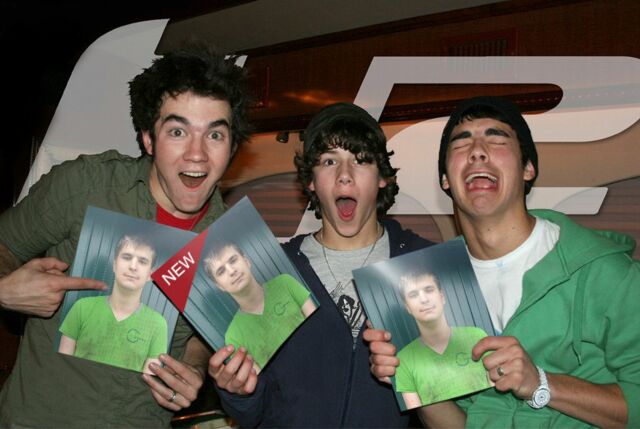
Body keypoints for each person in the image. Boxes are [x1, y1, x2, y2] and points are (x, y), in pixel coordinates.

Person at [0, 44, 251, 427]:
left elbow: (206, 333)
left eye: (215, 135)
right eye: (178, 131)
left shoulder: (231, 244)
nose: (197, 154)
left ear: (231, 147)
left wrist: (194, 366)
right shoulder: (84, 186)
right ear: (148, 139)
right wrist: (5, 287)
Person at [366, 96, 640, 428]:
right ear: (445, 180)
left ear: (528, 169)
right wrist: (414, 378)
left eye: (496, 138)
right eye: (461, 142)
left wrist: (542, 384)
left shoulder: (604, 273)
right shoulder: (434, 287)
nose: (477, 151)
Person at [208, 102, 434, 427]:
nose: (344, 175)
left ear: (382, 178)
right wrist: (237, 392)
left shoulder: (422, 264)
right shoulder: (275, 272)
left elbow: (452, 405)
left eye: (361, 160)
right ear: (311, 181)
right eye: (329, 161)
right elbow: (254, 412)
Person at [59, 234, 168, 374]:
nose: (133, 266)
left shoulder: (158, 324)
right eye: (127, 257)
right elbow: (61, 367)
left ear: (150, 274)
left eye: (142, 261)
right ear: (114, 265)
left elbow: (147, 381)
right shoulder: (81, 307)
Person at [203, 241, 316, 371]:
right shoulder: (233, 336)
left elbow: (319, 324)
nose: (231, 271)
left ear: (246, 261)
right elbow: (261, 378)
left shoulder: (285, 283)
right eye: (221, 271)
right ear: (220, 286)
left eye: (233, 260)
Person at [395, 271, 490, 409]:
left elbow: (498, 394)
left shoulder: (477, 336)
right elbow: (417, 411)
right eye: (414, 295)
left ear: (442, 297)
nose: (424, 299)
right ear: (408, 308)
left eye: (429, 290)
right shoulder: (403, 359)